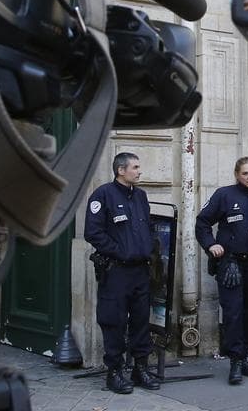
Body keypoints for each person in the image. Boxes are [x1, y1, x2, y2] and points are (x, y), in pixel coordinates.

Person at [195, 156, 248, 385]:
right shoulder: (224, 195)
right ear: (237, 174)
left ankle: (245, 357)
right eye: (245, 173)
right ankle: (234, 361)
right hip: (230, 263)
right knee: (233, 312)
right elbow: (202, 222)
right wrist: (210, 245)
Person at [84, 152, 162, 394]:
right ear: (121, 170)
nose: (139, 171)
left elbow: (147, 227)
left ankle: (140, 369)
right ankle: (115, 373)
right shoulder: (102, 195)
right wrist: (120, 252)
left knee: (140, 321)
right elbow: (93, 233)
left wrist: (148, 248)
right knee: (114, 322)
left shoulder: (140, 196)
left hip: (140, 271)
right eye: (135, 167)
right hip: (116, 272)